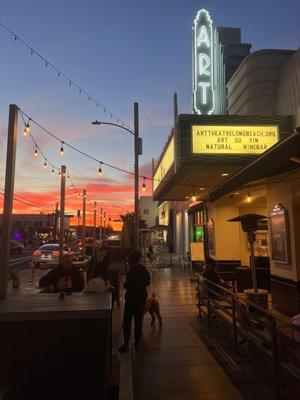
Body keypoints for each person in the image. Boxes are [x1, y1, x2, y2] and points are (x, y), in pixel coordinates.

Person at [119, 250, 151, 352]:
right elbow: (148, 282)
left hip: (131, 299)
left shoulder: (131, 271)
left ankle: (126, 344)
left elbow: (126, 285)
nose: (128, 263)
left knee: (127, 322)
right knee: (138, 321)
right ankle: (137, 342)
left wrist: (126, 284)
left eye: (129, 261)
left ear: (132, 260)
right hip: (141, 298)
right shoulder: (144, 269)